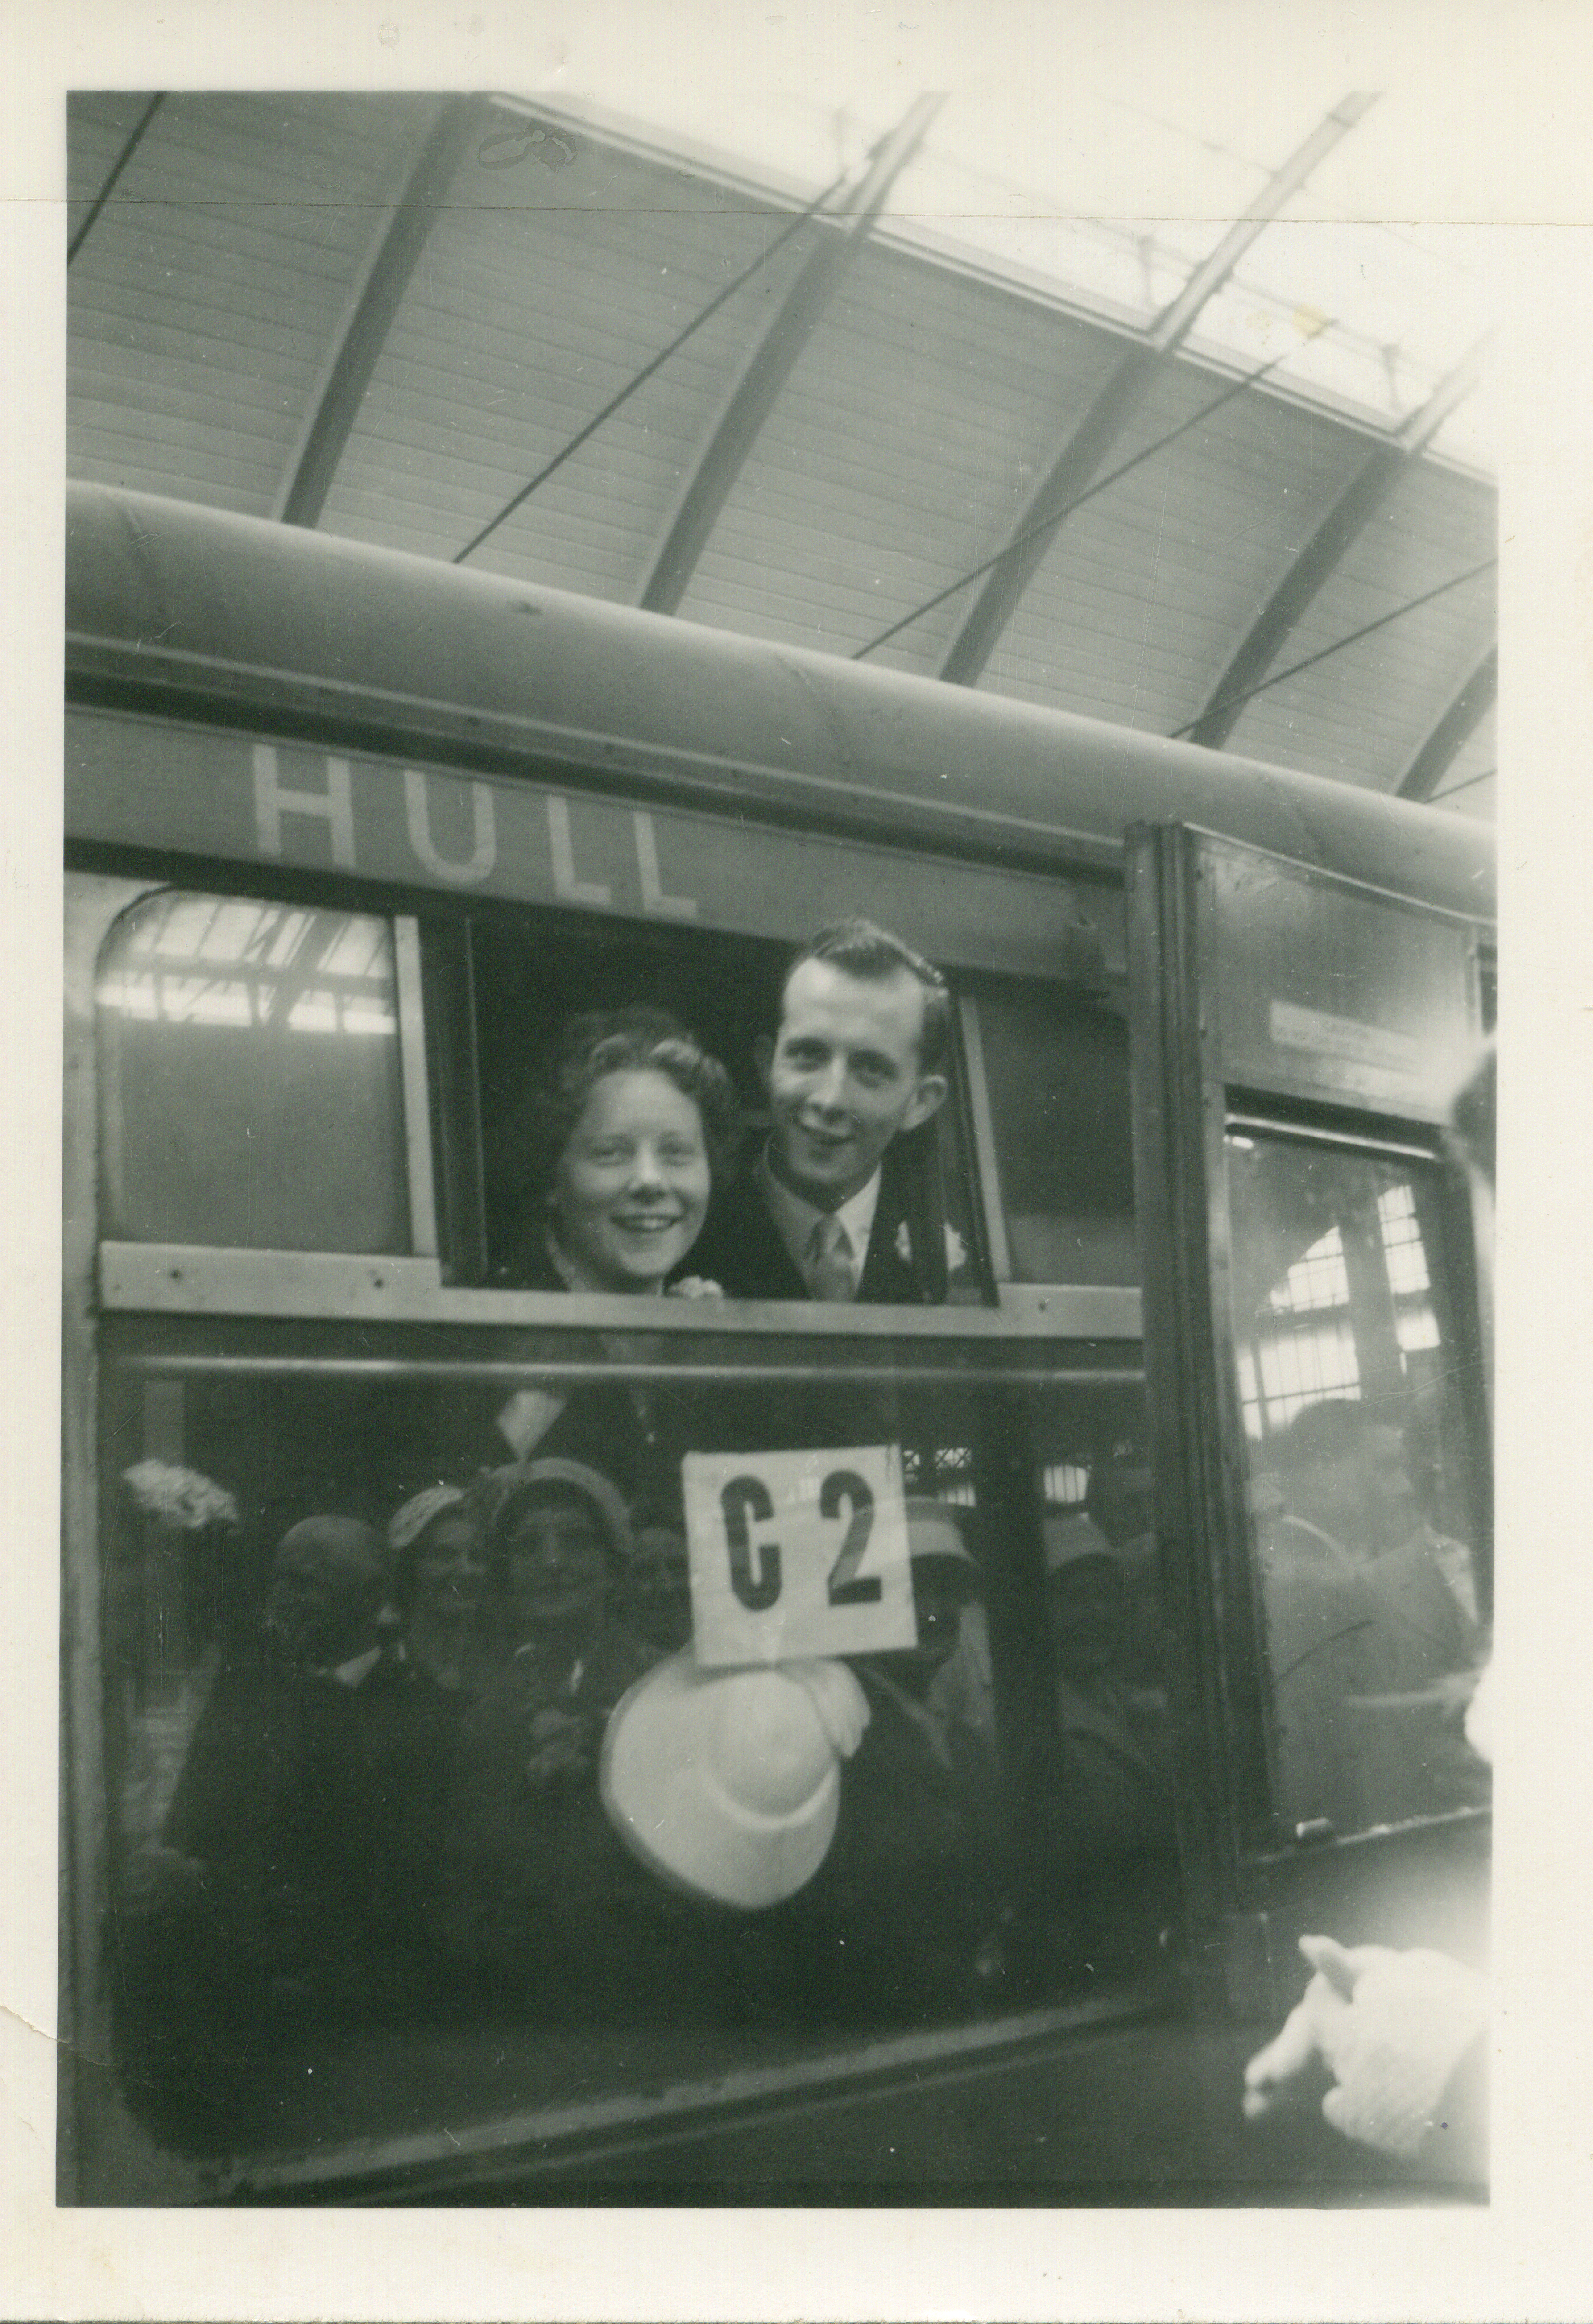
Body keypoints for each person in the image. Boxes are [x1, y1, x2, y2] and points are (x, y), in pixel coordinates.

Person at [161, 1515, 463, 2012]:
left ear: (372, 1593)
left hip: (360, 2007)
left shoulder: (429, 1715)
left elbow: (411, 1888)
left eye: (304, 1582)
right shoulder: (242, 1695)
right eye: (278, 1579)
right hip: (231, 1996)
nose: (282, 1597)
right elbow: (193, 1825)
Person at [443, 1460, 663, 2000]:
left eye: (577, 1541)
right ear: (506, 1575)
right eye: (527, 1548)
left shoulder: (663, 1686)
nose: (553, 1563)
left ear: (613, 1564)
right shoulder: (479, 1707)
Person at [686, 918, 952, 1303]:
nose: (829, 1101)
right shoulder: (688, 1225)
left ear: (920, 1102)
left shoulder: (956, 1245)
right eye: (808, 1055)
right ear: (767, 1065)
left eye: (871, 1070)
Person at [384, 1482, 492, 1693]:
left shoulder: (505, 1661)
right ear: (410, 1566)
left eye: (478, 1557)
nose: (467, 1571)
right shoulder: (386, 1664)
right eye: (445, 1556)